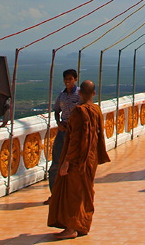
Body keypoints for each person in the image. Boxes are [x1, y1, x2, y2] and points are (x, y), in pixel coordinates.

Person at [47, 79, 110, 240]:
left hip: (76, 160)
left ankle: (71, 227)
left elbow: (75, 139)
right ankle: (82, 225)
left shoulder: (79, 111)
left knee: (72, 193)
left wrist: (66, 162)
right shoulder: (96, 110)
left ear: (80, 93)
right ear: (94, 94)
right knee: (85, 191)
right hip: (90, 157)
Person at [48, 69, 81, 197]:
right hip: (63, 131)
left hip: (75, 132)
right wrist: (59, 123)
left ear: (75, 79)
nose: (67, 81)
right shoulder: (61, 95)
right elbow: (56, 110)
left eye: (70, 79)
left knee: (73, 163)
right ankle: (54, 194)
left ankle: (71, 194)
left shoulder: (79, 95)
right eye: (66, 79)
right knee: (56, 163)